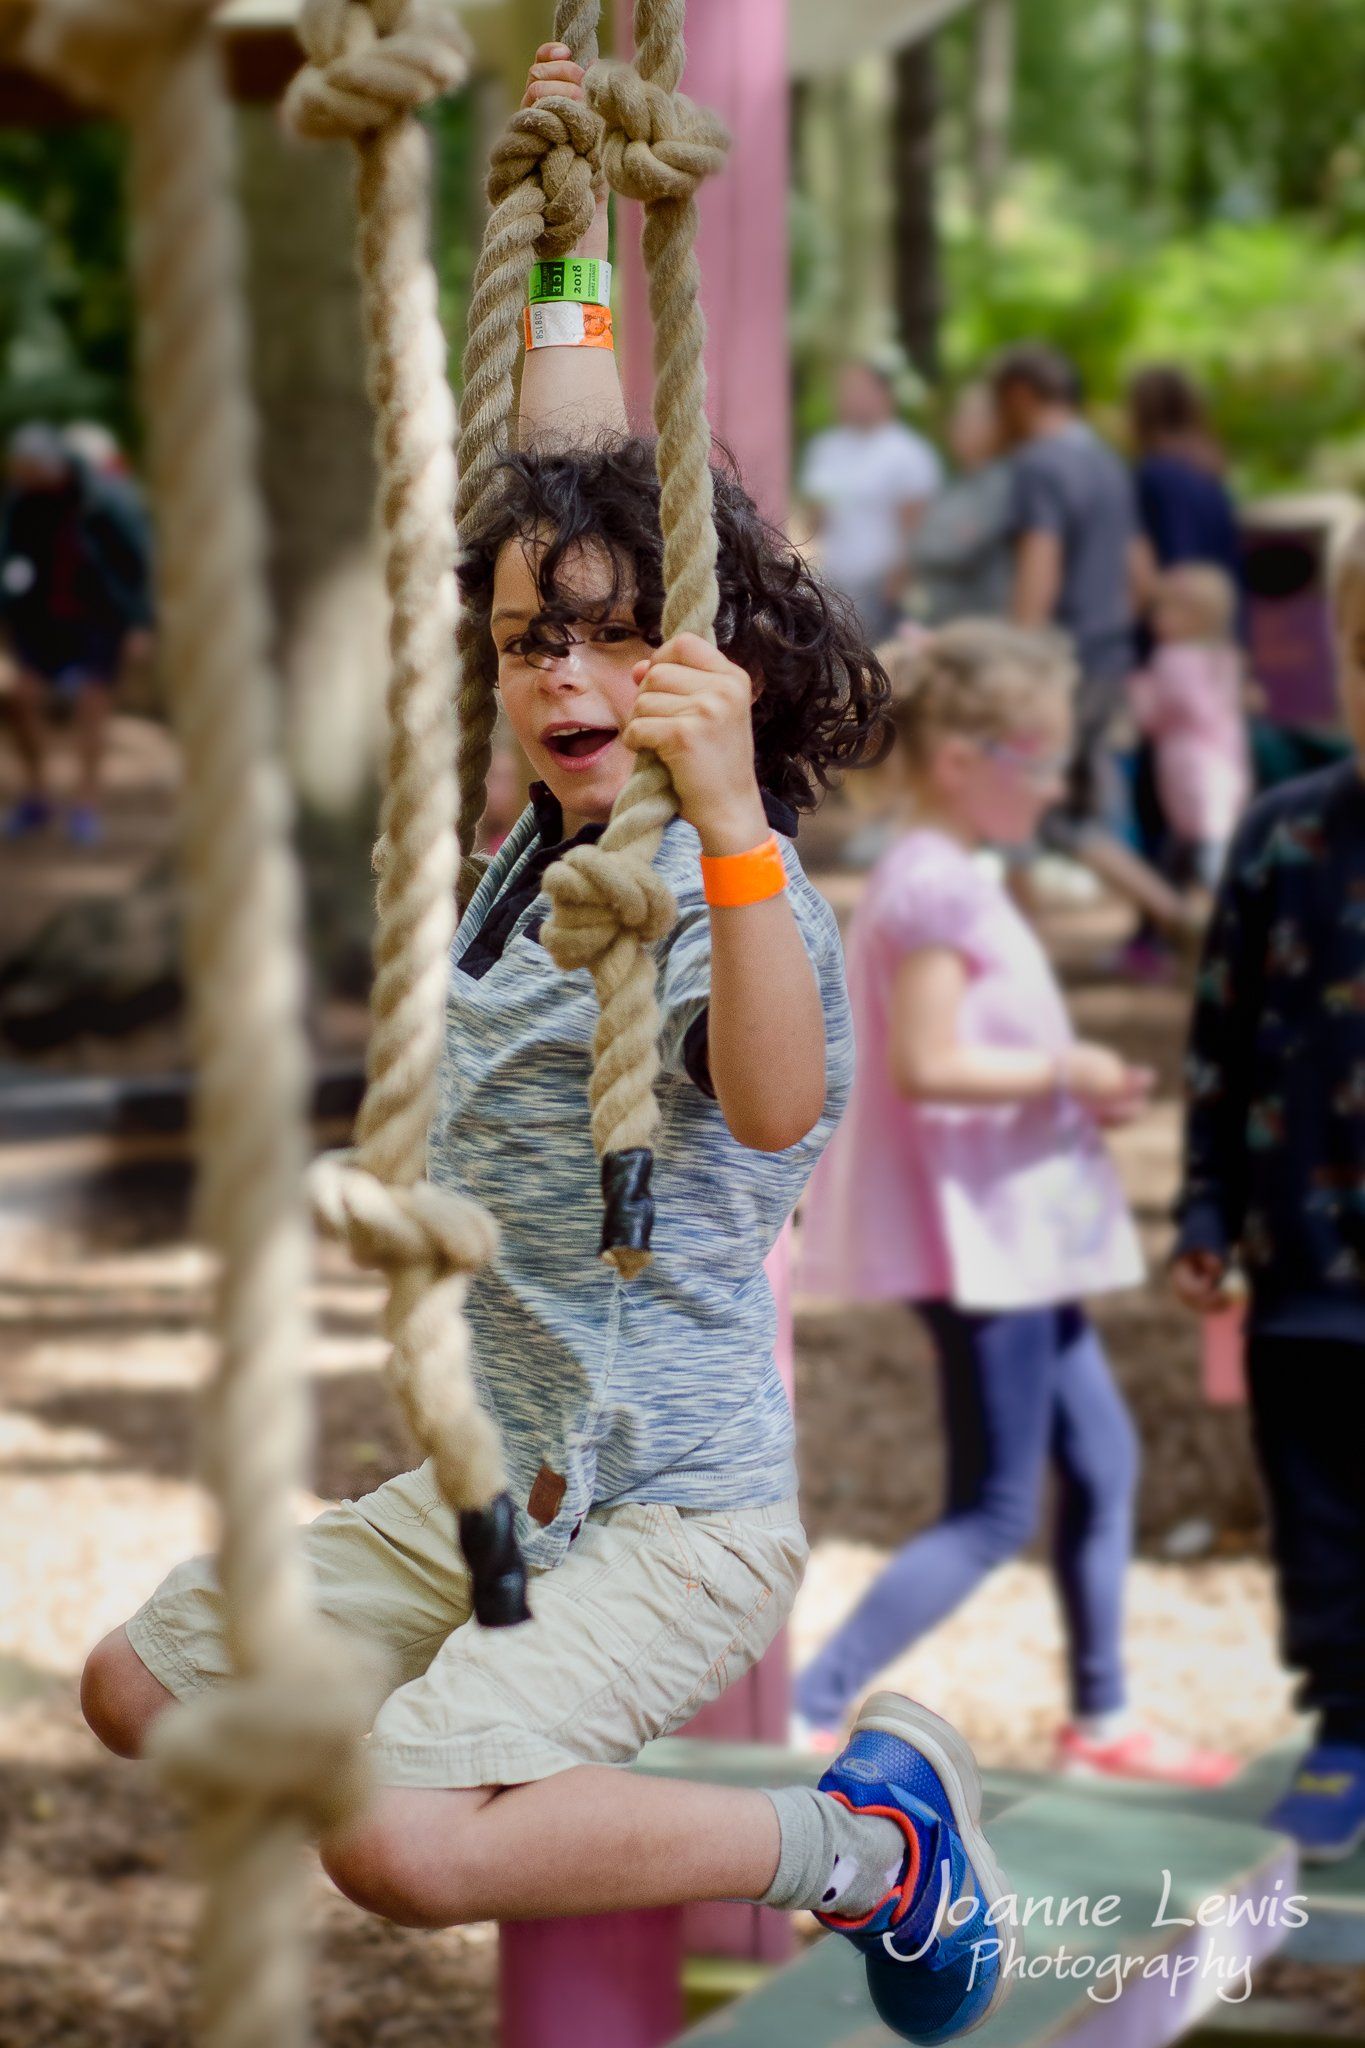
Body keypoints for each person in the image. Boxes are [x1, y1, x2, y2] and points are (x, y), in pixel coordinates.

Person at [75, 47, 1015, 2048]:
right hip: (485, 1487)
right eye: (524, 641)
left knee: (399, 1839)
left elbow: (774, 1108)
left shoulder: (727, 887)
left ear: (704, 660)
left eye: (607, 636)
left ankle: (869, 1853)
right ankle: (462, 1738)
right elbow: (578, 457)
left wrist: (739, 823)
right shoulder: (534, 842)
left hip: (670, 1513)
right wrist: (570, 207)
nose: (561, 671)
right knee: (141, 1688)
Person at [798, 623, 1237, 1790]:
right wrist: (1066, 1075)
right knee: (994, 1509)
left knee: (1104, 1459)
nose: (1053, 784)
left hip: (1014, 1236)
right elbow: (926, 1066)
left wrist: (1070, 1083)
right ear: (961, 760)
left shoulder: (946, 876)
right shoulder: (933, 888)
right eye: (1036, 760)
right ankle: (814, 1697)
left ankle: (1100, 1714)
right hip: (983, 1242)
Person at [1172, 522, 1365, 1863]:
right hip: (1306, 1266)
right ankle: (1348, 1726)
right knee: (1322, 1521)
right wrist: (1200, 1210)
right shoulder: (1281, 836)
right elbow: (1219, 1043)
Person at [992, 344, 1188, 935]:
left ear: (1022, 396)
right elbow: (1143, 575)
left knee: (1024, 805)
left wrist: (1022, 659)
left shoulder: (1039, 465)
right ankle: (1176, 918)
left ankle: (1177, 919)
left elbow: (1041, 561)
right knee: (1076, 809)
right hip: (1109, 659)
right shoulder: (1107, 462)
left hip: (1061, 663)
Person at [0, 422, 153, 845]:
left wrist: (140, 623)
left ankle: (86, 805)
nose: (19, 474)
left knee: (93, 706)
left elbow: (136, 561)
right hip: (44, 621)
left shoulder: (107, 498)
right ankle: (37, 795)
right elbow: (11, 557)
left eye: (26, 467)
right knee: (18, 698)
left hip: (99, 619)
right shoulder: (23, 502)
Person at [800, 358, 942, 643]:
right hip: (833, 579)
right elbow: (814, 521)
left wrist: (898, 582)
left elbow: (916, 526)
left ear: (883, 394)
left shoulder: (907, 452)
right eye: (843, 390)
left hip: (881, 583)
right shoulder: (827, 447)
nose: (847, 397)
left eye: (857, 389)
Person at [1130, 564, 1251, 895]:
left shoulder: (1171, 658)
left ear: (1195, 615)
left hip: (1190, 766)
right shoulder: (1226, 656)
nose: (1154, 618)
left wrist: (1139, 694)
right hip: (1227, 763)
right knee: (1211, 840)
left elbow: (1162, 714)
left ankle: (1209, 914)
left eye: (1163, 609)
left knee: (1201, 847)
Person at [1127, 366, 1243, 594]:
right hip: (1219, 612)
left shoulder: (1157, 474)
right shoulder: (1208, 470)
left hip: (1184, 614)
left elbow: (1181, 564)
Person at [908, 383, 1015, 626]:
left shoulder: (1001, 484)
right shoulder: (956, 484)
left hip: (980, 629)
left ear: (998, 426)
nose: (957, 426)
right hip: (942, 624)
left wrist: (924, 543)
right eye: (958, 418)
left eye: (969, 419)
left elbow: (956, 548)